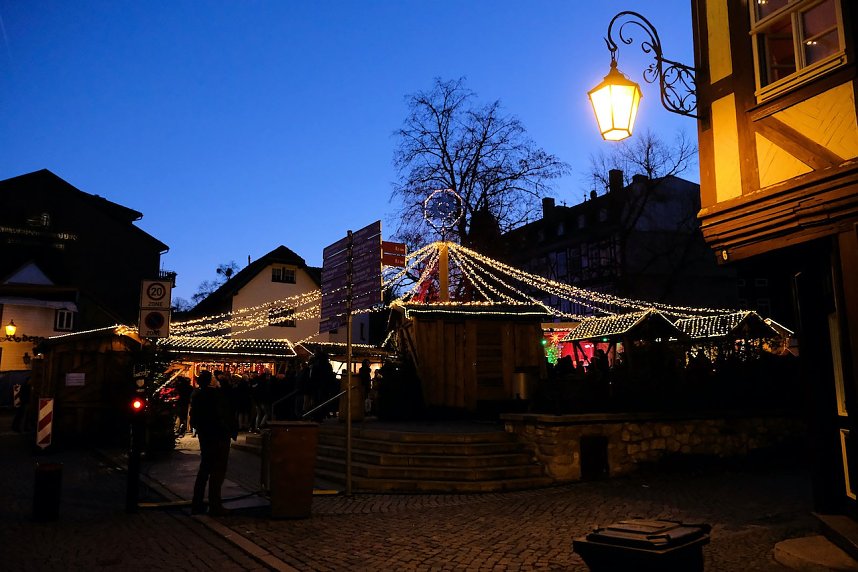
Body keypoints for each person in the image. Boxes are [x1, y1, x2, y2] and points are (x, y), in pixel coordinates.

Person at [190, 370, 237, 516]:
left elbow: (194, 417)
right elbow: (222, 414)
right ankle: (215, 504)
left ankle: (197, 503)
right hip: (217, 435)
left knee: (204, 469)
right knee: (217, 470)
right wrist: (227, 430)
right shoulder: (215, 395)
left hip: (205, 435)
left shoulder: (197, 395)